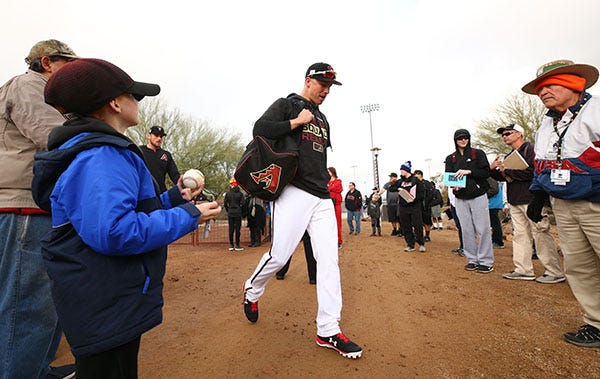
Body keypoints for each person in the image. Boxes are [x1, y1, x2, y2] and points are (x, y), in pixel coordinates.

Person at [31, 58, 221, 377]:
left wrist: (175, 199)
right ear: (115, 103)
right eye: (133, 95)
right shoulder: (100, 156)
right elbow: (116, 231)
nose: (138, 102)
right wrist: (188, 216)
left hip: (105, 300)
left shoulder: (102, 151)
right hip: (106, 306)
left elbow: (123, 213)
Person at [242, 62, 362, 359]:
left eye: (330, 86)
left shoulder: (322, 119)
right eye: (322, 84)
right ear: (308, 81)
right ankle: (252, 289)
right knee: (280, 255)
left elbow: (317, 158)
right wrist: (295, 122)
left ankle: (328, 329)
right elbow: (260, 129)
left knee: (329, 260)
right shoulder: (288, 104)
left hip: (321, 195)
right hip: (294, 191)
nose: (326, 90)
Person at [0, 39, 78, 379]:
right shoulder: (29, 85)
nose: (73, 72)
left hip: (33, 205)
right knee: (27, 306)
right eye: (68, 64)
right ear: (47, 62)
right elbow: (54, 136)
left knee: (42, 303)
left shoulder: (49, 94)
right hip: (23, 207)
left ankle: (35, 370)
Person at [523, 59, 600, 347]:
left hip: (595, 204)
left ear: (573, 83)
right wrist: (538, 194)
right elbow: (542, 162)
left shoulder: (596, 110)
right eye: (540, 88)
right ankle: (595, 323)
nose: (543, 92)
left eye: (551, 85)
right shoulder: (547, 124)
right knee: (580, 267)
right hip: (564, 206)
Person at [490, 124, 563, 283]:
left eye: (508, 133)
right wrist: (494, 170)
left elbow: (533, 172)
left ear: (519, 134)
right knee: (520, 235)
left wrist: (507, 171)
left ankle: (554, 271)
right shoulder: (510, 156)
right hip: (515, 200)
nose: (505, 136)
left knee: (540, 233)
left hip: (531, 199)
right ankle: (523, 269)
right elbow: (505, 177)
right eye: (503, 134)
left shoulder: (531, 150)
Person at [444, 129, 494, 273]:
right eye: (460, 138)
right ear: (455, 140)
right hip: (460, 198)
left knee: (482, 228)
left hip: (478, 195)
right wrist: (454, 185)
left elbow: (486, 172)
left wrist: (469, 171)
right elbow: (449, 176)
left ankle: (486, 261)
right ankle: (472, 259)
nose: (463, 140)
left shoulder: (477, 154)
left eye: (466, 138)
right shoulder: (451, 158)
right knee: (466, 229)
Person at [139, 125, 180, 193]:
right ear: (149, 136)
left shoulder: (166, 155)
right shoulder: (139, 151)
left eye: (161, 136)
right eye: (156, 135)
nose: (159, 138)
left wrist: (185, 184)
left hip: (161, 195)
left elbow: (175, 175)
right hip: (143, 194)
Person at [396, 161, 426, 252]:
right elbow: (391, 187)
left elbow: (422, 193)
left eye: (402, 170)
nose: (401, 171)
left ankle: (421, 243)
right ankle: (410, 244)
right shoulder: (400, 181)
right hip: (403, 207)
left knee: (418, 225)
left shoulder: (415, 180)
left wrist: (414, 200)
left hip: (415, 206)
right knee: (406, 226)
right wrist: (399, 189)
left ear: (407, 170)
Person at [224, 179, 245, 251]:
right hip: (238, 213)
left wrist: (228, 210)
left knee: (231, 229)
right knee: (238, 229)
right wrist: (241, 211)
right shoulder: (240, 194)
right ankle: (237, 245)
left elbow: (225, 204)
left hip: (230, 212)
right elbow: (243, 204)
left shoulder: (228, 193)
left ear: (232, 185)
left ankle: (231, 245)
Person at [414, 169, 434, 242]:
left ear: (420, 175)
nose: (415, 176)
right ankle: (418, 236)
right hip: (417, 206)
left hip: (426, 205)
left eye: (416, 174)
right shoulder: (415, 184)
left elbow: (431, 194)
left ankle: (427, 235)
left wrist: (429, 203)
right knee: (417, 222)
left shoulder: (427, 183)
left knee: (427, 222)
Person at [327, 167, 343, 248]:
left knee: (337, 223)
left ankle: (339, 241)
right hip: (328, 204)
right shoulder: (327, 181)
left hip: (336, 204)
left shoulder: (338, 181)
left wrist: (329, 187)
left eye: (328, 171)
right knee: (328, 224)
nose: (327, 173)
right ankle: (331, 241)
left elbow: (337, 188)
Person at [487, 178, 505, 249]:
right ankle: (495, 240)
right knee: (494, 223)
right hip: (491, 204)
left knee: (495, 223)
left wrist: (483, 194)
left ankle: (498, 241)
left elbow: (494, 190)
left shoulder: (490, 177)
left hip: (493, 204)